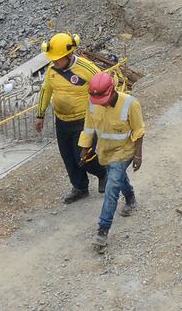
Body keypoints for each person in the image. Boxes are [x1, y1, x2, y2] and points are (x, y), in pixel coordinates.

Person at [35, 33, 106, 203]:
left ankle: (103, 172)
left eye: (57, 59)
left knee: (83, 157)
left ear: (68, 55)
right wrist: (40, 114)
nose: (54, 62)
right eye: (52, 59)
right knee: (68, 156)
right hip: (62, 121)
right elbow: (46, 91)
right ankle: (80, 187)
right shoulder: (52, 71)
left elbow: (106, 86)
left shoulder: (87, 69)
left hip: (84, 121)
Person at [79, 72, 145, 252]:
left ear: (112, 90)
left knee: (111, 186)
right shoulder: (92, 102)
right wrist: (85, 148)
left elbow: (139, 131)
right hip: (105, 151)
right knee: (117, 179)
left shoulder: (131, 104)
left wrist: (138, 155)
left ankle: (102, 230)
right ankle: (130, 197)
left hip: (124, 151)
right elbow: (88, 126)